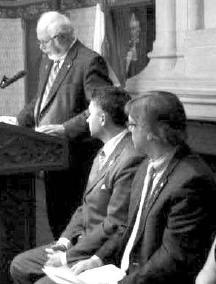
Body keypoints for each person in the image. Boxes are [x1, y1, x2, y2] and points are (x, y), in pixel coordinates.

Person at [70, 91, 216, 283]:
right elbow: (128, 227)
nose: (128, 131)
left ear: (154, 133)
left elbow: (172, 258)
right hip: (124, 273)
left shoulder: (192, 180)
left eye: (132, 125)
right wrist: (97, 260)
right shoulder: (145, 166)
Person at [10, 87, 143, 284]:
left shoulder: (129, 158)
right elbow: (85, 206)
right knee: (20, 265)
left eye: (90, 114)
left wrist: (67, 257)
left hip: (100, 253)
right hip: (79, 243)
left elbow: (115, 224)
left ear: (103, 119)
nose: (87, 120)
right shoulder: (104, 151)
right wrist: (64, 242)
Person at [17, 11, 113, 237]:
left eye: (43, 42)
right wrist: (17, 121)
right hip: (51, 154)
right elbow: (42, 99)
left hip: (76, 156)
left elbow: (100, 106)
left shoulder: (89, 61)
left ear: (59, 38)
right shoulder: (48, 61)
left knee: (70, 220)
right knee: (54, 216)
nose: (41, 48)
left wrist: (64, 129)